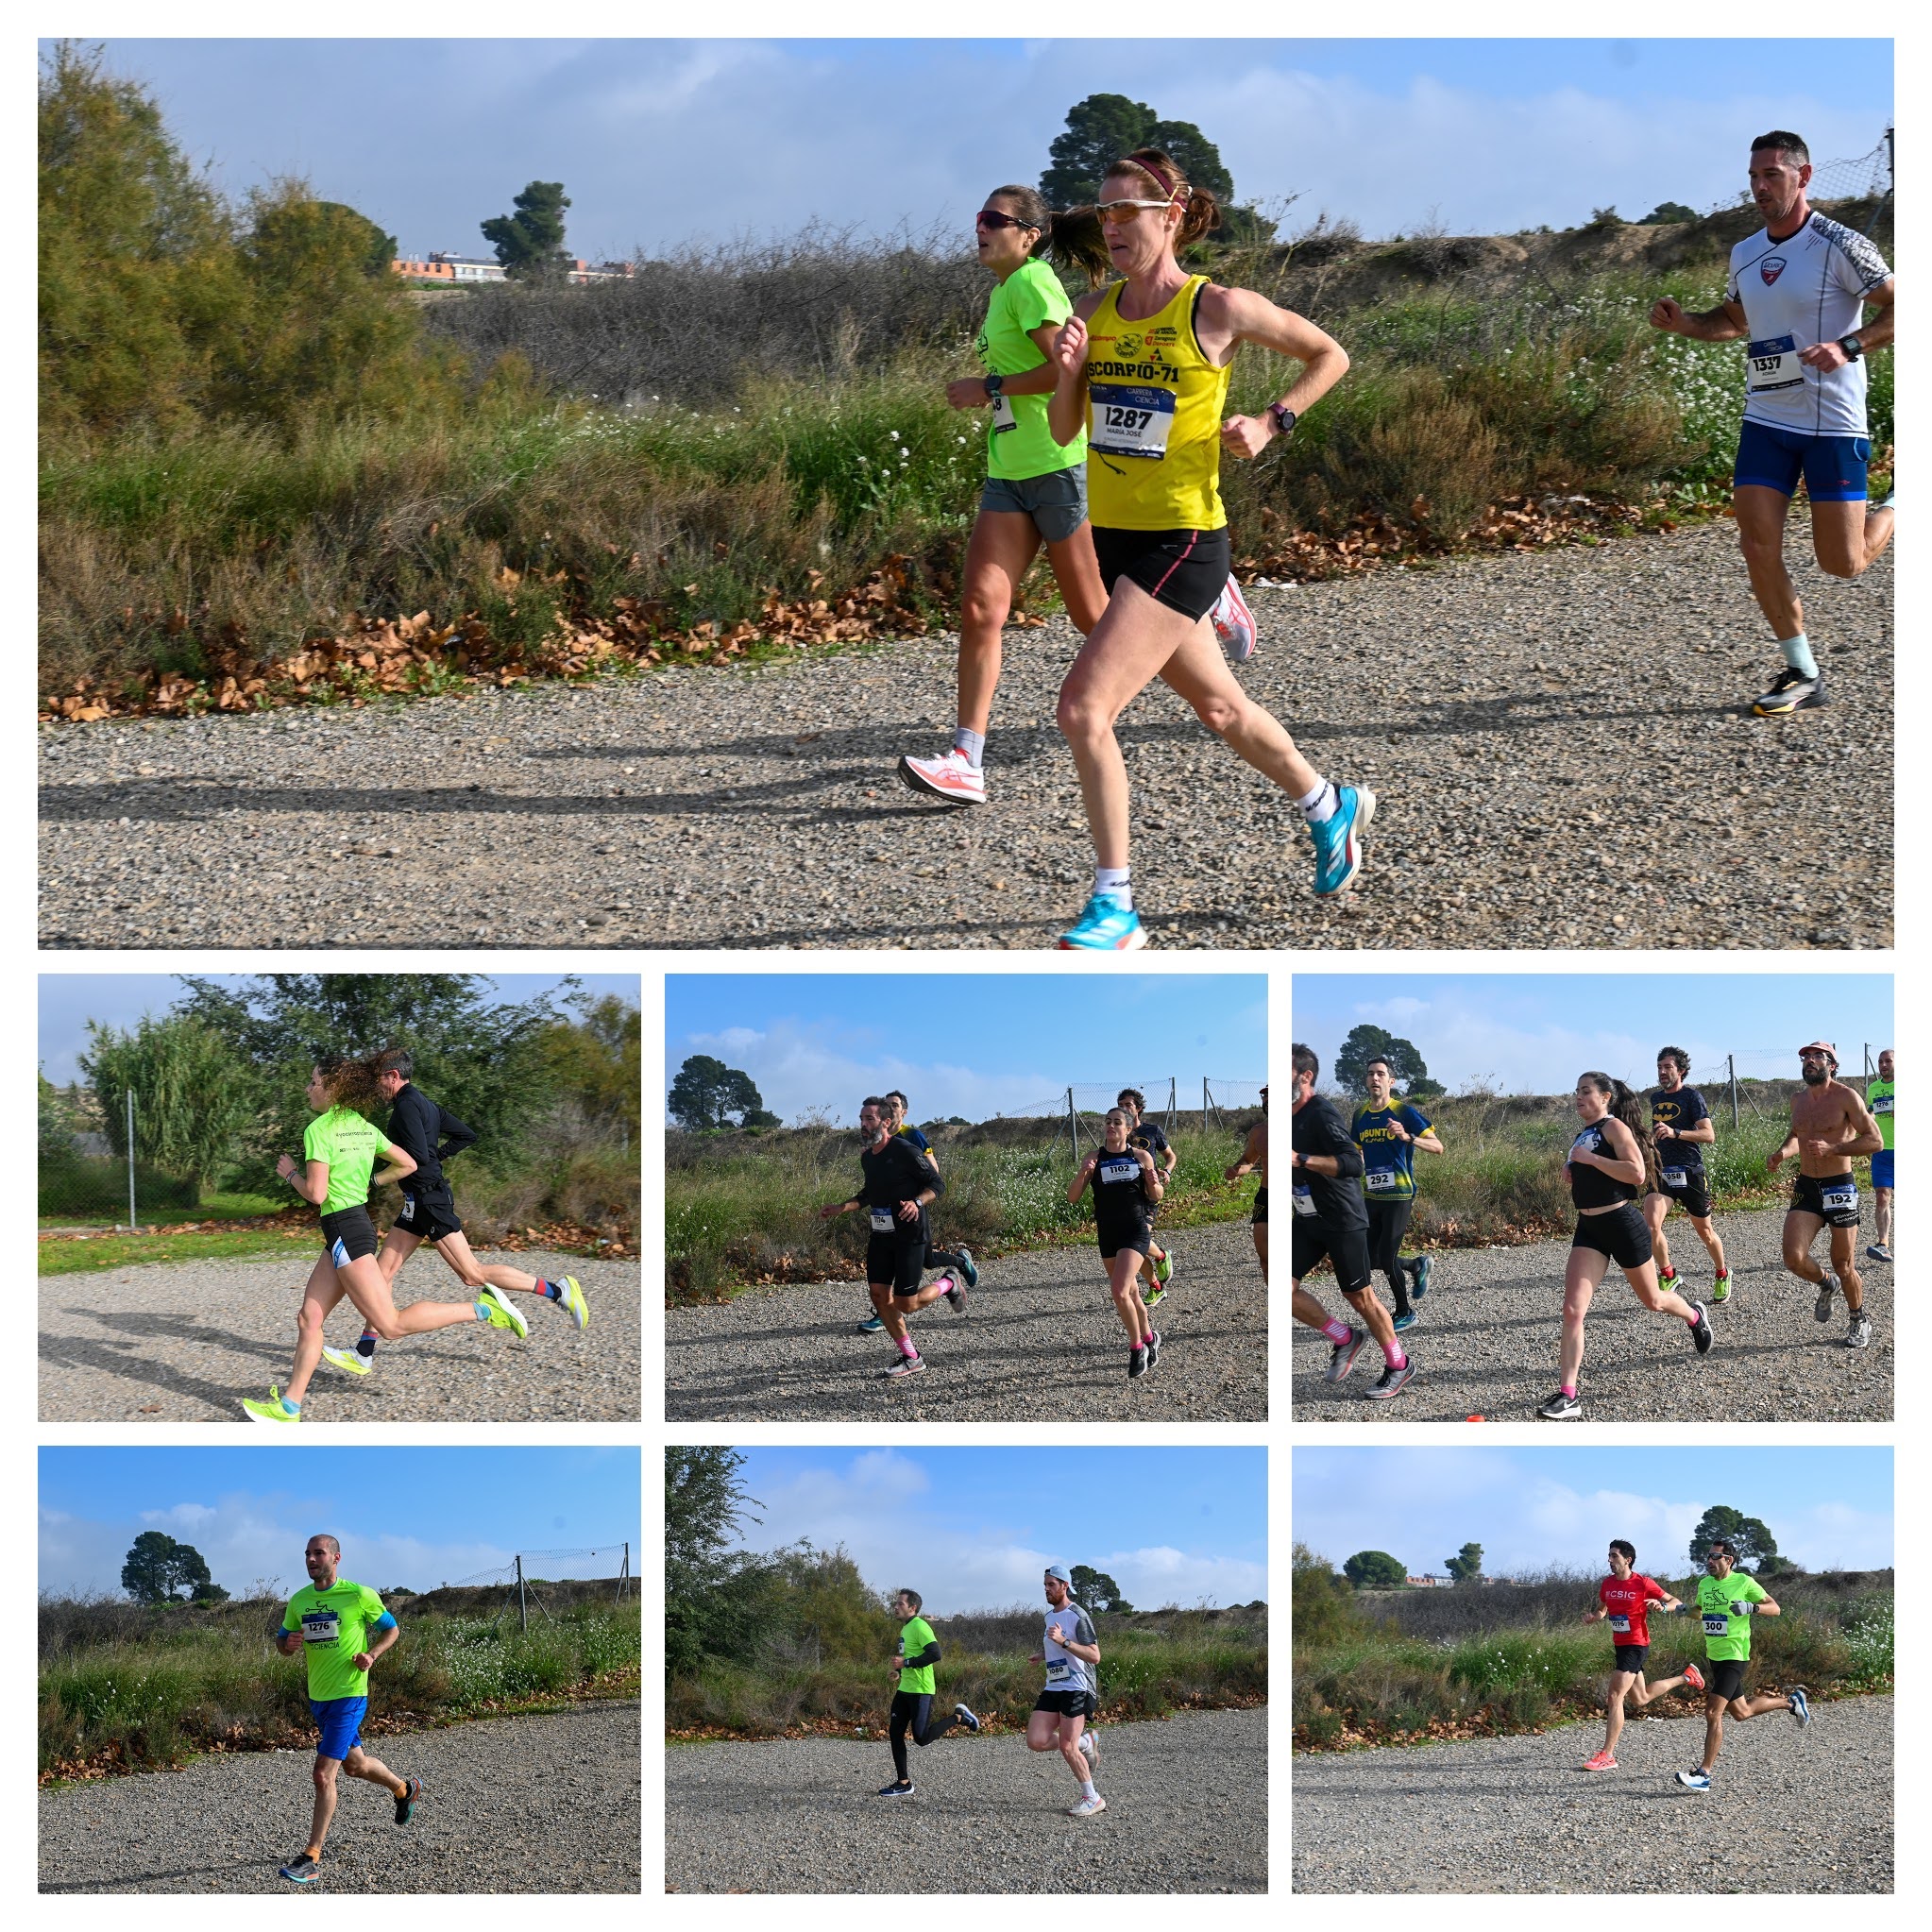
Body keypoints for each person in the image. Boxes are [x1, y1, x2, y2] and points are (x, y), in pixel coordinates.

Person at [1046, 147, 1369, 948]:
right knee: (1221, 708)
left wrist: (1270, 422)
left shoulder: (1215, 308)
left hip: (1184, 540)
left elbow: (1331, 355)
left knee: (1084, 708)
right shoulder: (1094, 309)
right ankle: (1328, 802)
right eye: (1103, 212)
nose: (1112, 226)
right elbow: (1063, 432)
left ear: (1173, 216)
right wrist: (1065, 373)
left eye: (1129, 212)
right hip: (1114, 540)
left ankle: (1115, 905)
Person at [1648, 130, 1894, 717]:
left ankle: (1904, 502)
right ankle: (1801, 670)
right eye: (1754, 177)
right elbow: (1733, 321)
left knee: (1844, 564)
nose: (1759, 188)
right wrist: (1685, 324)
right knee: (1757, 543)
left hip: (1833, 423)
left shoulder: (1841, 243)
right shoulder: (1745, 253)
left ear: (1803, 177)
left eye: (1772, 177)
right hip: (1767, 418)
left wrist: (1849, 347)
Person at [898, 186, 1110, 807]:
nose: (981, 228)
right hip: (1009, 474)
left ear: (1030, 233)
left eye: (995, 220)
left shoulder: (1033, 284)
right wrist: (995, 394)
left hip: (1058, 466)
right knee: (980, 609)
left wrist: (989, 384)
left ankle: (1200, 613)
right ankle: (966, 759)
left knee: (1096, 620)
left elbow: (1066, 369)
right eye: (979, 218)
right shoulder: (1005, 291)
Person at [242, 1058, 528, 1424]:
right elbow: (408, 1164)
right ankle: (288, 1407)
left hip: (346, 1230)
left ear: (332, 1088)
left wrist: (290, 1174)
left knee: (390, 1324)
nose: (308, 1088)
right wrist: (371, 1182)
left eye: (313, 1082)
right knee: (309, 1317)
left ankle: (486, 1310)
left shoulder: (319, 1129)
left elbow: (316, 1193)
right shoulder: (363, 1126)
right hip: (351, 1227)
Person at [321, 1049, 587, 1378]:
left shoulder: (405, 1106)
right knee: (383, 1273)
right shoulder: (426, 1104)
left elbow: (415, 1158)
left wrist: (376, 1178)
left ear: (393, 1076)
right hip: (417, 1203)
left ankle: (558, 1291)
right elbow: (465, 1135)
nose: (377, 1087)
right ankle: (364, 1351)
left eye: (379, 1079)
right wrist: (437, 1157)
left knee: (472, 1274)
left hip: (430, 1202)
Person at [1537, 1073, 1712, 1422]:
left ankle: (1694, 1315)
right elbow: (1593, 1167)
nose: (1578, 1097)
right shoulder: (1583, 1134)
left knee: (1654, 1300)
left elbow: (1636, 1174)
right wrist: (1572, 1168)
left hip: (1621, 1225)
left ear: (1605, 1097)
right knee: (1572, 1310)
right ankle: (1568, 1395)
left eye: (1586, 1091)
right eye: (1576, 1091)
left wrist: (1591, 1162)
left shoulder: (1614, 1127)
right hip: (1589, 1228)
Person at [273, 1534, 420, 1884]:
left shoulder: (359, 1594)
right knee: (355, 1765)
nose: (311, 1559)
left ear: (336, 1558)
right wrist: (288, 1644)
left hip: (350, 1695)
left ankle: (311, 1856)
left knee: (324, 1774)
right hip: (318, 1697)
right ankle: (405, 1790)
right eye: (307, 1554)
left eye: (318, 1553)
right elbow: (282, 1642)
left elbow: (392, 1629)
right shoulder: (299, 1601)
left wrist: (372, 1655)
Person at [1289, 1044, 1415, 1400]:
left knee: (1359, 1297)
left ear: (1304, 1076)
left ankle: (1399, 1363)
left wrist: (1302, 1159)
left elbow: (1352, 1163)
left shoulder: (1320, 1112)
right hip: (1307, 1218)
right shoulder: (1285, 1116)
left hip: (1342, 1218)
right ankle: (1345, 1337)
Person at [822, 1096, 964, 1378]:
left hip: (910, 1234)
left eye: (869, 1119)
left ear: (886, 1122)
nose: (863, 1125)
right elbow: (867, 1195)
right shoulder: (867, 1157)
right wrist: (842, 1208)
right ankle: (912, 1357)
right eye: (861, 1119)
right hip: (881, 1234)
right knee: (878, 1296)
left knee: (905, 1304)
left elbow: (937, 1183)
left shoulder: (906, 1151)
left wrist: (917, 1202)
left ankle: (948, 1283)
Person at [1767, 1041, 1884, 1348]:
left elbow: (1875, 1140)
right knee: (1793, 1258)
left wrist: (1834, 1148)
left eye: (1818, 1056)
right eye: (1806, 1056)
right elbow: (1797, 1136)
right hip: (1807, 1185)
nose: (1810, 1060)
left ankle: (1859, 1318)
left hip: (1840, 1186)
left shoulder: (1846, 1097)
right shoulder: (1797, 1100)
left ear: (1831, 1064)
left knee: (1844, 1263)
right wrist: (1782, 1153)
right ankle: (1826, 1283)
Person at [1674, 1538, 1809, 1791]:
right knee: (1741, 1712)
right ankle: (1791, 1703)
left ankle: (1704, 1774)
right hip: (1715, 1655)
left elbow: (1775, 1608)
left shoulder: (1744, 1582)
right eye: (1709, 1556)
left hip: (1735, 1656)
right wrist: (1685, 1611)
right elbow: (1701, 1612)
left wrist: (1752, 1607)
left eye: (1716, 1557)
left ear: (1729, 1560)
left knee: (1713, 1712)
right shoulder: (1704, 1584)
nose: (1710, 1561)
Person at [855, 1092, 977, 1334]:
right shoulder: (877, 1141)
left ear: (902, 1112)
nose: (890, 1108)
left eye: (895, 1105)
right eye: (887, 1104)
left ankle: (888, 1313)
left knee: (919, 1260)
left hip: (916, 1206)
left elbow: (933, 1170)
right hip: (892, 1216)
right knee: (926, 1260)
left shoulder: (912, 1136)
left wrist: (917, 1197)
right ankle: (958, 1265)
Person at [1579, 1538, 1703, 1771]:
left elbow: (1676, 1602)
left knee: (1615, 1696)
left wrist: (1662, 1606)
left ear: (1628, 1560)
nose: (1609, 1560)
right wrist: (1594, 1617)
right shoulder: (1607, 1584)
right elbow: (1602, 1610)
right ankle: (1687, 1677)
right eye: (1609, 1556)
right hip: (1620, 1645)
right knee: (1641, 1698)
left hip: (1636, 1645)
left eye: (1614, 1556)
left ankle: (1608, 1755)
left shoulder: (1643, 1583)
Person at [1067, 1108, 1164, 1379]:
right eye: (1108, 1122)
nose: (1111, 1126)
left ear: (1129, 1128)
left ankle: (1136, 1349)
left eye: (1117, 1122)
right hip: (1107, 1233)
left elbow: (1156, 1195)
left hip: (1135, 1231)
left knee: (1119, 1291)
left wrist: (1152, 1180)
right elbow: (1073, 1197)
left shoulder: (1140, 1156)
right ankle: (1149, 1337)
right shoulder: (1094, 1158)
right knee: (1132, 1294)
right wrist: (1082, 1175)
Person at [1350, 1057, 1443, 1332]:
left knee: (1387, 1256)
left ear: (1390, 1081)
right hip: (1372, 1195)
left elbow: (1438, 1147)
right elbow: (1355, 1150)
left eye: (1380, 1074)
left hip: (1400, 1194)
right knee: (1370, 1257)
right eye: (1370, 1074)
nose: (1374, 1078)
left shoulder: (1404, 1112)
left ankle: (1405, 1312)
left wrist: (1407, 1138)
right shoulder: (1360, 1115)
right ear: (1366, 1080)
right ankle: (1416, 1265)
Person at [875, 1587, 981, 1798]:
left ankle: (959, 1717)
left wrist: (905, 1663)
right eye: (895, 1604)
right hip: (905, 1689)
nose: (895, 1607)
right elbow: (911, 1656)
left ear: (912, 1608)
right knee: (895, 1733)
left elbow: (935, 1654)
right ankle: (903, 1783)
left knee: (921, 1738)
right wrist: (898, 1671)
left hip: (922, 1690)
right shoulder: (905, 1629)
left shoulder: (920, 1626)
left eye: (900, 1604)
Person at [1645, 1047, 1732, 1302]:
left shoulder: (1692, 1097)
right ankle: (1669, 1274)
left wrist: (1676, 1133)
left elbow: (1708, 1134)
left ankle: (1722, 1273)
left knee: (1705, 1231)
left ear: (1681, 1070)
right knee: (1651, 1226)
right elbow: (1657, 1132)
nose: (1662, 1072)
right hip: (1662, 1171)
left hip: (1690, 1172)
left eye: (1667, 1067)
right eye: (1659, 1067)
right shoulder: (1655, 1099)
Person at [1026, 1565, 1105, 1817]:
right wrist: (1043, 1654)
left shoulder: (1077, 1615)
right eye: (1045, 1585)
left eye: (1051, 1585)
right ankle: (1087, 1741)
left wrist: (1065, 1641)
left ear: (1064, 1586)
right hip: (1054, 1685)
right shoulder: (1049, 1617)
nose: (1047, 1590)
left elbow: (1094, 1656)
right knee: (1036, 1741)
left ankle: (1092, 1798)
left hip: (1078, 1687)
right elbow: (1057, 1649)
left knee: (1067, 1747)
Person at [1116, 1087, 1177, 1302]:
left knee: (1135, 1241)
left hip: (1148, 1194)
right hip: (1125, 1197)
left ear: (1139, 1109)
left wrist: (1166, 1171)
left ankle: (1160, 1258)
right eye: (1120, 1105)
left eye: (1128, 1105)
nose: (1123, 1109)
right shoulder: (1116, 1134)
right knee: (1130, 1242)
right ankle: (1157, 1282)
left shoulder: (1152, 1131)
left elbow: (1170, 1156)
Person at [1226, 1085, 1268, 1280]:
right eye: (1265, 1096)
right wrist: (1236, 1170)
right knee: (1266, 1259)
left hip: (1297, 1195)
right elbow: (1249, 1160)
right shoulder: (1258, 1131)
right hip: (1267, 1195)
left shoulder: (1300, 1126)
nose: (1267, 1099)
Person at [1866, 1047, 1894, 1263]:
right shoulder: (1873, 1088)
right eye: (1880, 1061)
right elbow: (1870, 1112)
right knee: (1882, 1195)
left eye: (1888, 1061)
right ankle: (1883, 1244)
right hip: (1883, 1152)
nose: (1883, 1065)